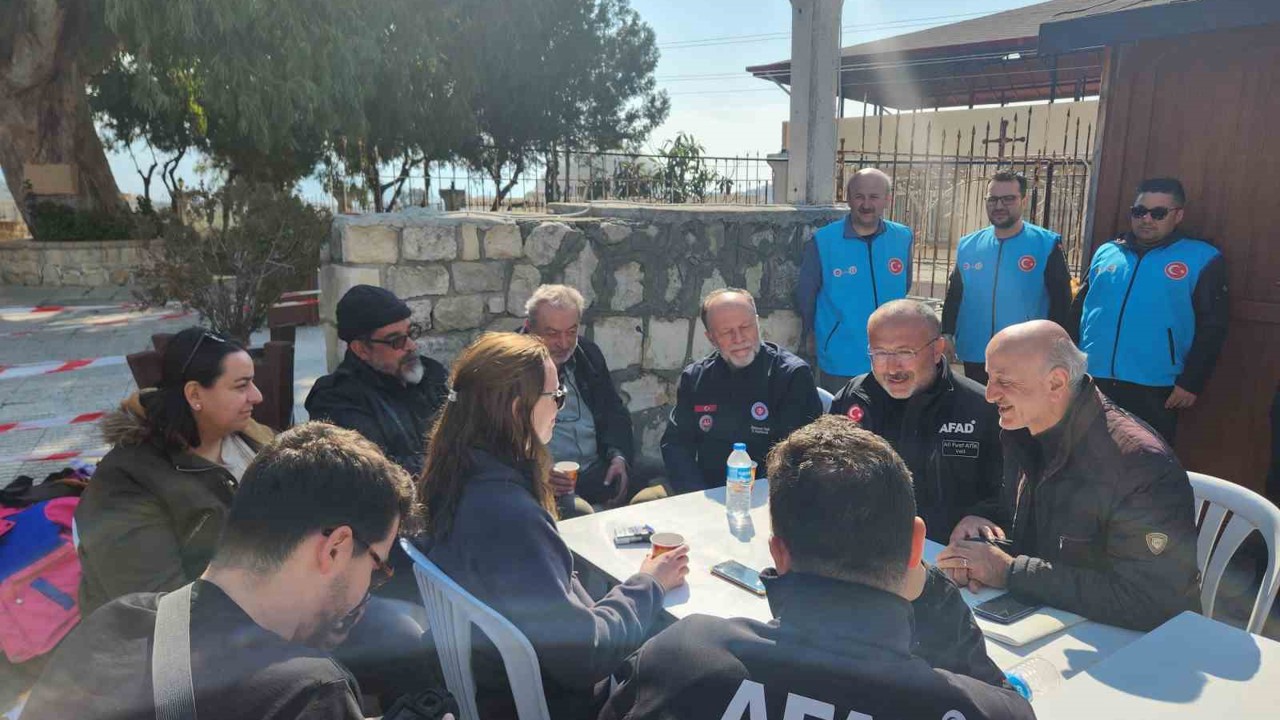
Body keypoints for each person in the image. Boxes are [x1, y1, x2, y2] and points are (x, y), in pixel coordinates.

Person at [600, 416, 1033, 720]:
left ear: (778, 553)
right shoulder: (978, 709)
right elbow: (1007, 702)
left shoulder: (680, 656)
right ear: (915, 546)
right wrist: (937, 597)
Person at [22, 422, 419, 720]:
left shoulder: (111, 623)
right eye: (377, 567)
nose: (371, 587)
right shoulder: (306, 693)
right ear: (335, 548)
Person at [419, 333, 689, 720]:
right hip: (550, 701)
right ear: (517, 409)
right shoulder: (509, 516)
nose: (560, 406)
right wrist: (651, 582)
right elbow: (584, 656)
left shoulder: (454, 477)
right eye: (555, 395)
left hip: (491, 681)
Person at [936, 321, 1201, 631]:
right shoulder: (1025, 430)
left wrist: (1008, 572)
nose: (990, 394)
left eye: (1004, 381)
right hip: (1056, 625)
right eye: (989, 378)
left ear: (1056, 383)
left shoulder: (1139, 464)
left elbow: (1151, 600)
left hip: (1139, 649)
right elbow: (1040, 527)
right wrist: (978, 538)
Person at [77, 326, 270, 617]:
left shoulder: (251, 438)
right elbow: (154, 608)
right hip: (183, 643)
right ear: (194, 394)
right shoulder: (126, 482)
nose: (257, 397)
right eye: (241, 386)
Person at [1069, 177, 1229, 442]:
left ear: (1178, 215)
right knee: (1088, 456)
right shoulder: (1107, 252)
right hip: (1093, 378)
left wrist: (1191, 382)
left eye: (1158, 213)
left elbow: (1213, 326)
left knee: (1146, 462)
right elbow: (1079, 312)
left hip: (1155, 386)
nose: (1147, 219)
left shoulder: (1202, 258)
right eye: (1140, 211)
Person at [829, 299, 1002, 543]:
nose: (892, 367)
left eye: (905, 352)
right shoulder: (853, 398)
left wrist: (981, 516)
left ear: (937, 350)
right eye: (880, 353)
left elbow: (1011, 490)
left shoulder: (980, 408)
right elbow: (823, 467)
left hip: (945, 553)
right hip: (864, 547)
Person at [662, 288, 823, 493]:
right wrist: (695, 495)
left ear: (757, 323)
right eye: (726, 332)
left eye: (746, 326)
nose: (739, 338)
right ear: (711, 337)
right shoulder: (695, 378)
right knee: (643, 502)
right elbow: (676, 445)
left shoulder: (790, 375)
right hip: (707, 491)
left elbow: (800, 455)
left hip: (771, 494)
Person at [941, 170, 1072, 384]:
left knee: (1018, 415)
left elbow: (1062, 301)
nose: (999, 206)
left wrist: (1054, 349)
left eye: (1008, 199)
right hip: (976, 351)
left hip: (1024, 354)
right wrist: (946, 333)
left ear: (1024, 200)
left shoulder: (1045, 244)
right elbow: (955, 294)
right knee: (981, 412)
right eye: (992, 199)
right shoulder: (968, 245)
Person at [306, 284, 449, 476]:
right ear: (361, 350)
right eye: (395, 340)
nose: (411, 346)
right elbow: (379, 472)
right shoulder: (335, 399)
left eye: (410, 333)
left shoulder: (432, 374)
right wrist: (454, 459)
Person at [795, 168, 914, 392]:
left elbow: (904, 285)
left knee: (889, 424)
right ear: (848, 199)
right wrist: (810, 333)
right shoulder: (823, 241)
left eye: (874, 197)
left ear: (887, 199)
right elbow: (806, 294)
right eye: (859, 196)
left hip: (893, 357)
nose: (866, 204)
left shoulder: (903, 237)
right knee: (842, 422)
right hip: (841, 357)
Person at [521, 284, 634, 515]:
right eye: (552, 333)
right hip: (542, 481)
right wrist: (538, 473)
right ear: (529, 328)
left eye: (571, 332)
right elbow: (494, 439)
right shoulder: (510, 365)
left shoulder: (587, 354)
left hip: (594, 468)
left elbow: (613, 411)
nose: (563, 343)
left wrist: (618, 456)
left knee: (659, 477)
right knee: (579, 512)